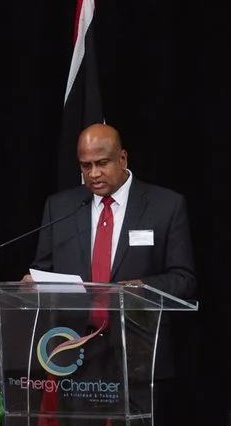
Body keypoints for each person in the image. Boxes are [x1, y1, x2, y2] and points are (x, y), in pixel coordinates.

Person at [29, 123, 197, 302]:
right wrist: (31, 283)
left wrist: (142, 289)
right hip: (72, 321)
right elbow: (42, 270)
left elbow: (183, 280)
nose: (94, 174)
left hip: (135, 318)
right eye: (86, 166)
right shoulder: (59, 208)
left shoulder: (166, 206)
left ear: (122, 159)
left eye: (102, 163)